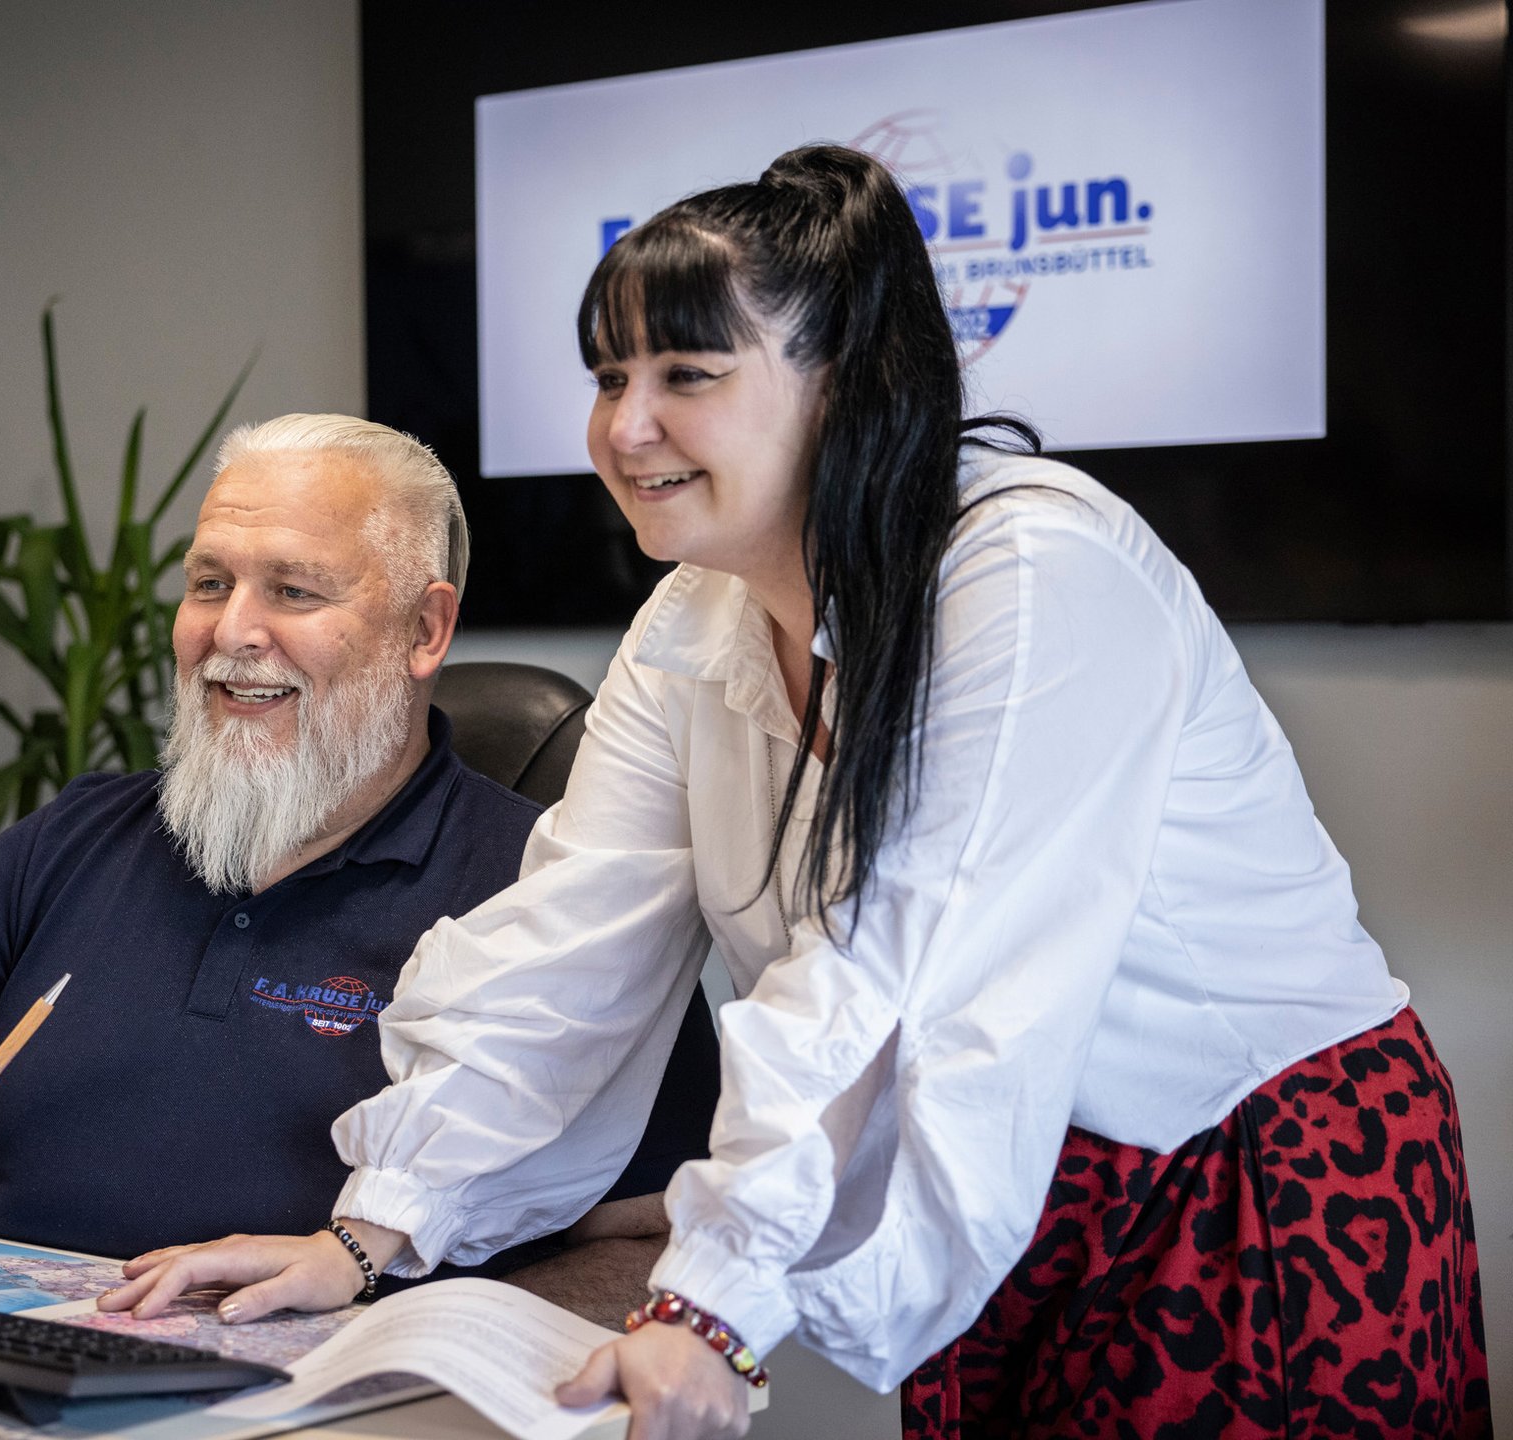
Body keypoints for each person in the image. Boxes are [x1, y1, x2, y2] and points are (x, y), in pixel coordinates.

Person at [99, 149, 1490, 1439]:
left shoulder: (1030, 576)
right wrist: (370, 1235)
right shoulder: (693, 619)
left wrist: (715, 1302)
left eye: (687, 373)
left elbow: (900, 971)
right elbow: (574, 948)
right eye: (608, 375)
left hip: (1235, 1176)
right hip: (1015, 1187)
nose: (625, 425)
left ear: (846, 383)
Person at [0, 413, 715, 1316]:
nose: (232, 630)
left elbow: (661, 1247)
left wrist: (406, 1340)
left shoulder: (560, 893)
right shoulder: (73, 840)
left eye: (293, 591)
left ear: (425, 630)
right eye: (210, 583)